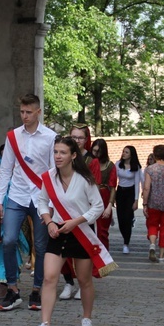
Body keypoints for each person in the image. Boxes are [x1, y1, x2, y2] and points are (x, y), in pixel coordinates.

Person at [30, 136, 115, 326]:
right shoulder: (48, 177)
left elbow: (97, 206)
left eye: (63, 153)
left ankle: (86, 319)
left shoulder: (85, 180)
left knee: (84, 280)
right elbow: (41, 201)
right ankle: (45, 325)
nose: (58, 156)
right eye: (56, 152)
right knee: (50, 277)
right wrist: (49, 221)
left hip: (81, 233)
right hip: (58, 231)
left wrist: (76, 221)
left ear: (73, 155)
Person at [0, 94, 55, 311]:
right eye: (22, 112)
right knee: (9, 240)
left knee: (40, 246)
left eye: (28, 112)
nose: (24, 116)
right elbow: (5, 169)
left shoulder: (50, 137)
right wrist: (0, 200)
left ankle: (37, 290)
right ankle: (12, 289)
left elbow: (52, 172)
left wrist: (52, 205)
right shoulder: (13, 137)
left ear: (38, 112)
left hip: (40, 197)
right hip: (17, 195)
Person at [60, 125, 101, 300]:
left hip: (83, 214)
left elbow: (95, 188)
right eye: (74, 137)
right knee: (63, 252)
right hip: (63, 212)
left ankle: (83, 284)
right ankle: (68, 282)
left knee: (83, 250)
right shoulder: (62, 157)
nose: (77, 140)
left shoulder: (92, 161)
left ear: (86, 140)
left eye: (80, 138)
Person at [115, 145, 142, 254]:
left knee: (127, 218)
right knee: (121, 219)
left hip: (130, 192)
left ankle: (126, 242)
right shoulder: (118, 164)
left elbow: (137, 184)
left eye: (126, 152)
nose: (124, 154)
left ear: (131, 154)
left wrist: (136, 200)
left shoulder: (136, 167)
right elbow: (114, 180)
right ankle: (124, 234)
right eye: (123, 151)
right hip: (120, 191)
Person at [91, 138, 116, 250]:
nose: (96, 154)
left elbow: (112, 187)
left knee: (103, 231)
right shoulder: (89, 162)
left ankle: (104, 258)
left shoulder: (110, 165)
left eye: (98, 151)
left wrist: (109, 206)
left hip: (104, 196)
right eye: (94, 151)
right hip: (90, 196)